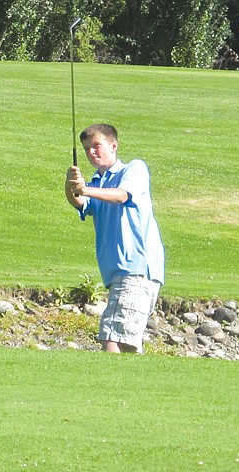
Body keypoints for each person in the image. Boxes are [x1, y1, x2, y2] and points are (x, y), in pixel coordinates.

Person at [65, 123, 165, 353]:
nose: (91, 152)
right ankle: (132, 386)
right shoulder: (96, 182)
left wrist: (85, 189)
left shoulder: (134, 169)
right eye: (87, 148)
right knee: (126, 341)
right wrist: (71, 186)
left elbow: (121, 196)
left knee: (111, 336)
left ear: (114, 146)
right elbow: (80, 203)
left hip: (137, 268)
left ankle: (111, 386)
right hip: (119, 271)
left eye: (96, 146)